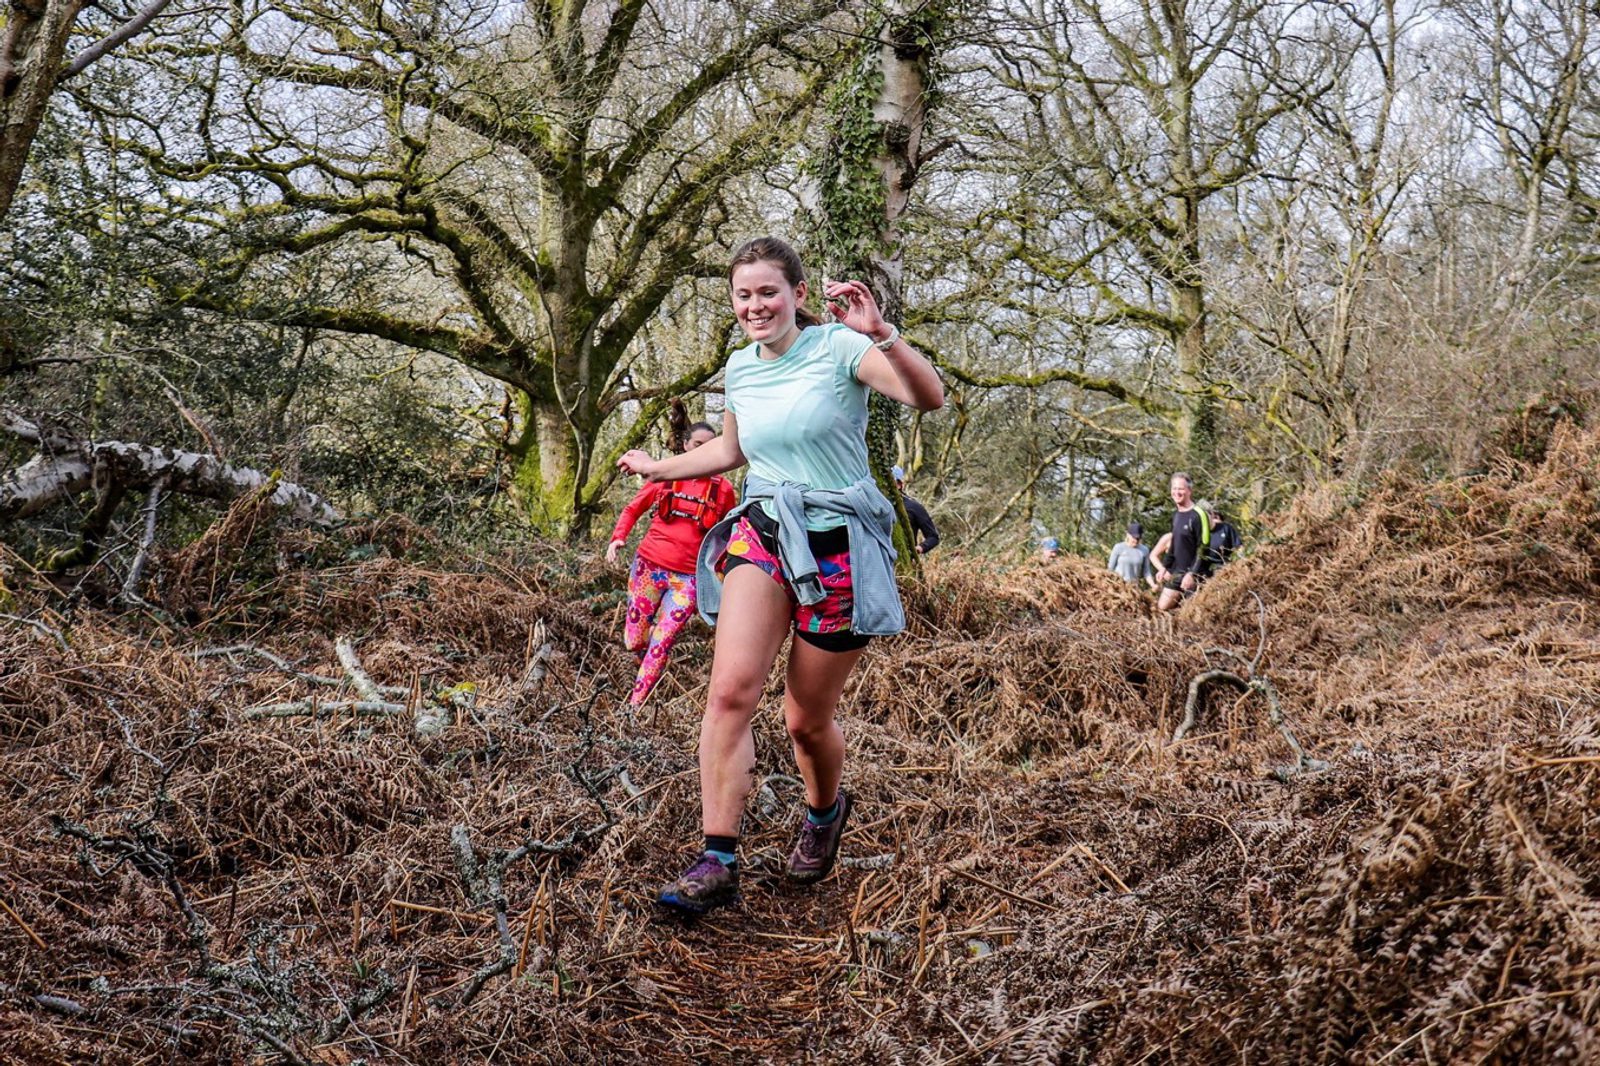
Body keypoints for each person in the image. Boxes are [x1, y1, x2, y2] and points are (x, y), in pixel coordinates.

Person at [617, 236, 944, 916]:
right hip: (764, 530)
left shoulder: (841, 350)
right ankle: (717, 859)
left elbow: (928, 397)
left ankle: (825, 812)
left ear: (797, 294)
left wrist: (881, 334)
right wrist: (657, 470)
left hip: (840, 548)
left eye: (769, 291)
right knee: (730, 693)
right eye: (743, 295)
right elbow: (733, 451)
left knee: (804, 721)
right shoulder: (740, 368)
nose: (756, 305)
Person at [607, 422, 738, 706]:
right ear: (685, 446)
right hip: (649, 568)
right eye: (697, 446)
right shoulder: (665, 476)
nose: (703, 452)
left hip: (688, 579)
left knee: (663, 642)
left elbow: (727, 535)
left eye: (710, 447)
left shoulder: (724, 490)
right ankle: (648, 652)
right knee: (634, 640)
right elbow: (633, 509)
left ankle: (634, 706)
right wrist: (618, 538)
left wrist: (724, 573)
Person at [1151, 473, 1210, 612]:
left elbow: (1203, 548)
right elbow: (1173, 546)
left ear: (1189, 491)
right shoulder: (1176, 515)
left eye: (1181, 489)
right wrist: (1164, 567)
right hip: (1176, 573)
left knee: (1189, 615)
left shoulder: (1199, 514)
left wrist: (1191, 574)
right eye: (1174, 488)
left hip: (1195, 574)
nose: (1177, 492)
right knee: (1161, 608)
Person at [892, 465, 940, 555]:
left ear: (899, 485)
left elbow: (933, 537)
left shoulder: (913, 507)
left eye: (891, 482)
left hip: (905, 560)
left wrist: (919, 548)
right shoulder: (871, 506)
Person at [1107, 521, 1157, 590]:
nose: (1136, 540)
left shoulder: (1144, 550)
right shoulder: (1118, 547)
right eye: (1134, 537)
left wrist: (1152, 584)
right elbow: (1110, 569)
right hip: (1117, 586)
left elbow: (1146, 571)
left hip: (1133, 588)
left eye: (1138, 538)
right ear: (1128, 535)